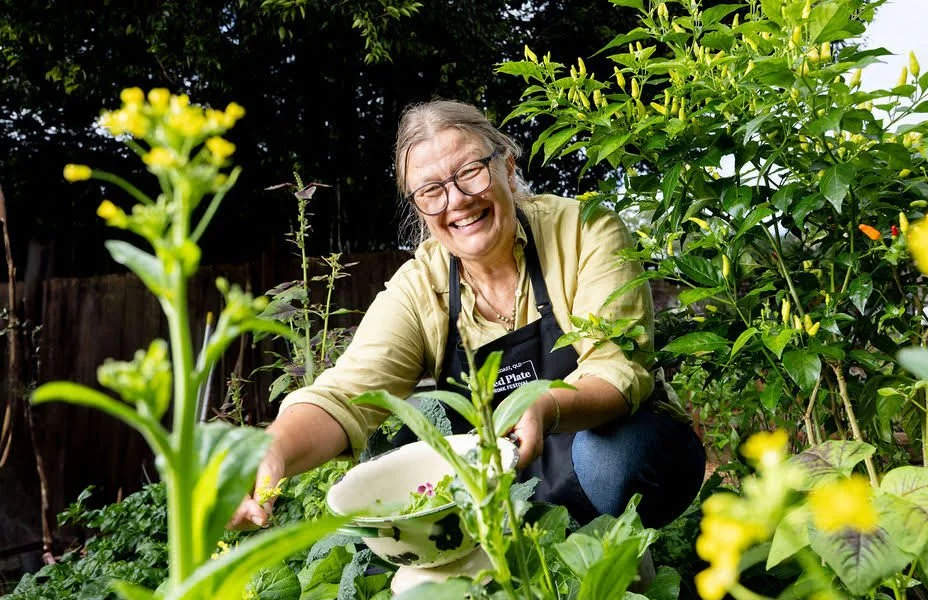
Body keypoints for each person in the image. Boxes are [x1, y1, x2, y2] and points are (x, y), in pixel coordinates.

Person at [229, 100, 705, 531]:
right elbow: (346, 395)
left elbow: (617, 367)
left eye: (470, 172)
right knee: (411, 463)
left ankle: (620, 553)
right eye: (431, 190)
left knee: (614, 458)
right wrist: (267, 453)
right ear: (419, 208)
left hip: (607, 444)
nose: (456, 200)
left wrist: (542, 405)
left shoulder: (584, 230)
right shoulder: (421, 287)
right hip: (500, 478)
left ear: (507, 167)